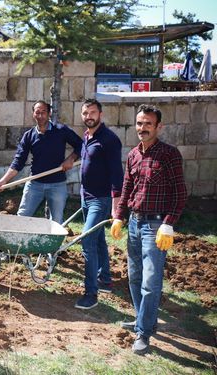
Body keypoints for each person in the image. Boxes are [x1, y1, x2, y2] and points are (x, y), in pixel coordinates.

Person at [110, 104, 187, 355]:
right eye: (140, 123)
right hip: (134, 222)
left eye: (148, 124)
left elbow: (180, 193)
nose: (142, 128)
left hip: (155, 227)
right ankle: (143, 318)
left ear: (158, 127)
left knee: (151, 282)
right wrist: (119, 217)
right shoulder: (133, 155)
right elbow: (127, 190)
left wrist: (168, 223)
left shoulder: (169, 154)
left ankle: (143, 333)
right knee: (134, 277)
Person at [0, 100, 82, 224]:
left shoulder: (61, 130)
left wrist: (71, 159)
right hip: (35, 183)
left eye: (43, 112)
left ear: (49, 113)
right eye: (37, 112)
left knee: (56, 221)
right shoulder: (29, 136)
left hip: (57, 184)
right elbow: (18, 161)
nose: (40, 116)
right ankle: (19, 241)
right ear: (33, 114)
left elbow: (81, 145)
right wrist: (3, 181)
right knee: (22, 217)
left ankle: (53, 243)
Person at [74, 99, 123, 310]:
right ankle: (105, 280)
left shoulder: (109, 140)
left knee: (87, 241)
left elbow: (117, 175)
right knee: (98, 239)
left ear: (100, 114)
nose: (88, 116)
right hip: (86, 197)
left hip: (100, 199)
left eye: (92, 112)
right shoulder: (87, 136)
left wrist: (115, 208)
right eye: (85, 113)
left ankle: (91, 294)